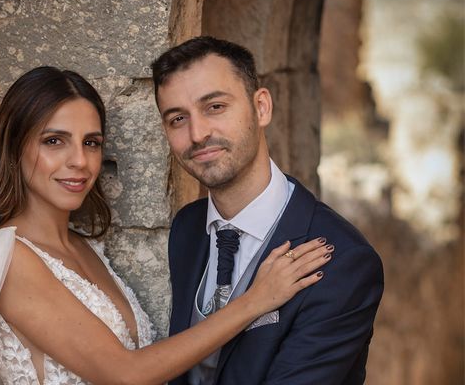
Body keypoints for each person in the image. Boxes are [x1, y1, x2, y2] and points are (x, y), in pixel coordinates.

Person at [0, 66, 333, 385]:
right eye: (54, 141)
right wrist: (256, 300)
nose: (79, 161)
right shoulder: (11, 260)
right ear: (15, 147)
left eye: (91, 142)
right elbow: (126, 373)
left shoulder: (84, 249)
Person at [151, 36, 384, 385]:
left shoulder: (343, 260)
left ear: (261, 107)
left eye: (215, 107)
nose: (197, 134)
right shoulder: (186, 228)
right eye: (177, 119)